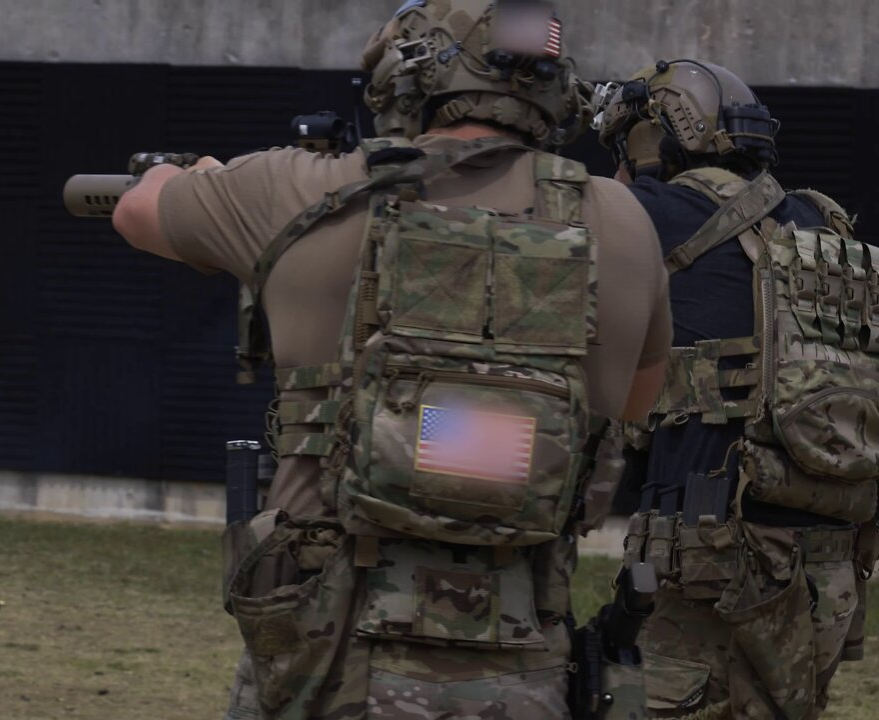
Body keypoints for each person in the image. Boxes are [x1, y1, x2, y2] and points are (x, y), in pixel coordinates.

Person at [115, 2, 671, 717]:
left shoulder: (300, 190)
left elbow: (138, 210)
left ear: (409, 74)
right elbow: (637, 404)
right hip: (522, 666)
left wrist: (211, 179)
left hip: (327, 665)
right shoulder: (624, 223)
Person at [598, 60, 878, 719]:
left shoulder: (655, 214)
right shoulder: (822, 226)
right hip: (828, 570)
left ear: (652, 140)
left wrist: (631, 182)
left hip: (708, 560)